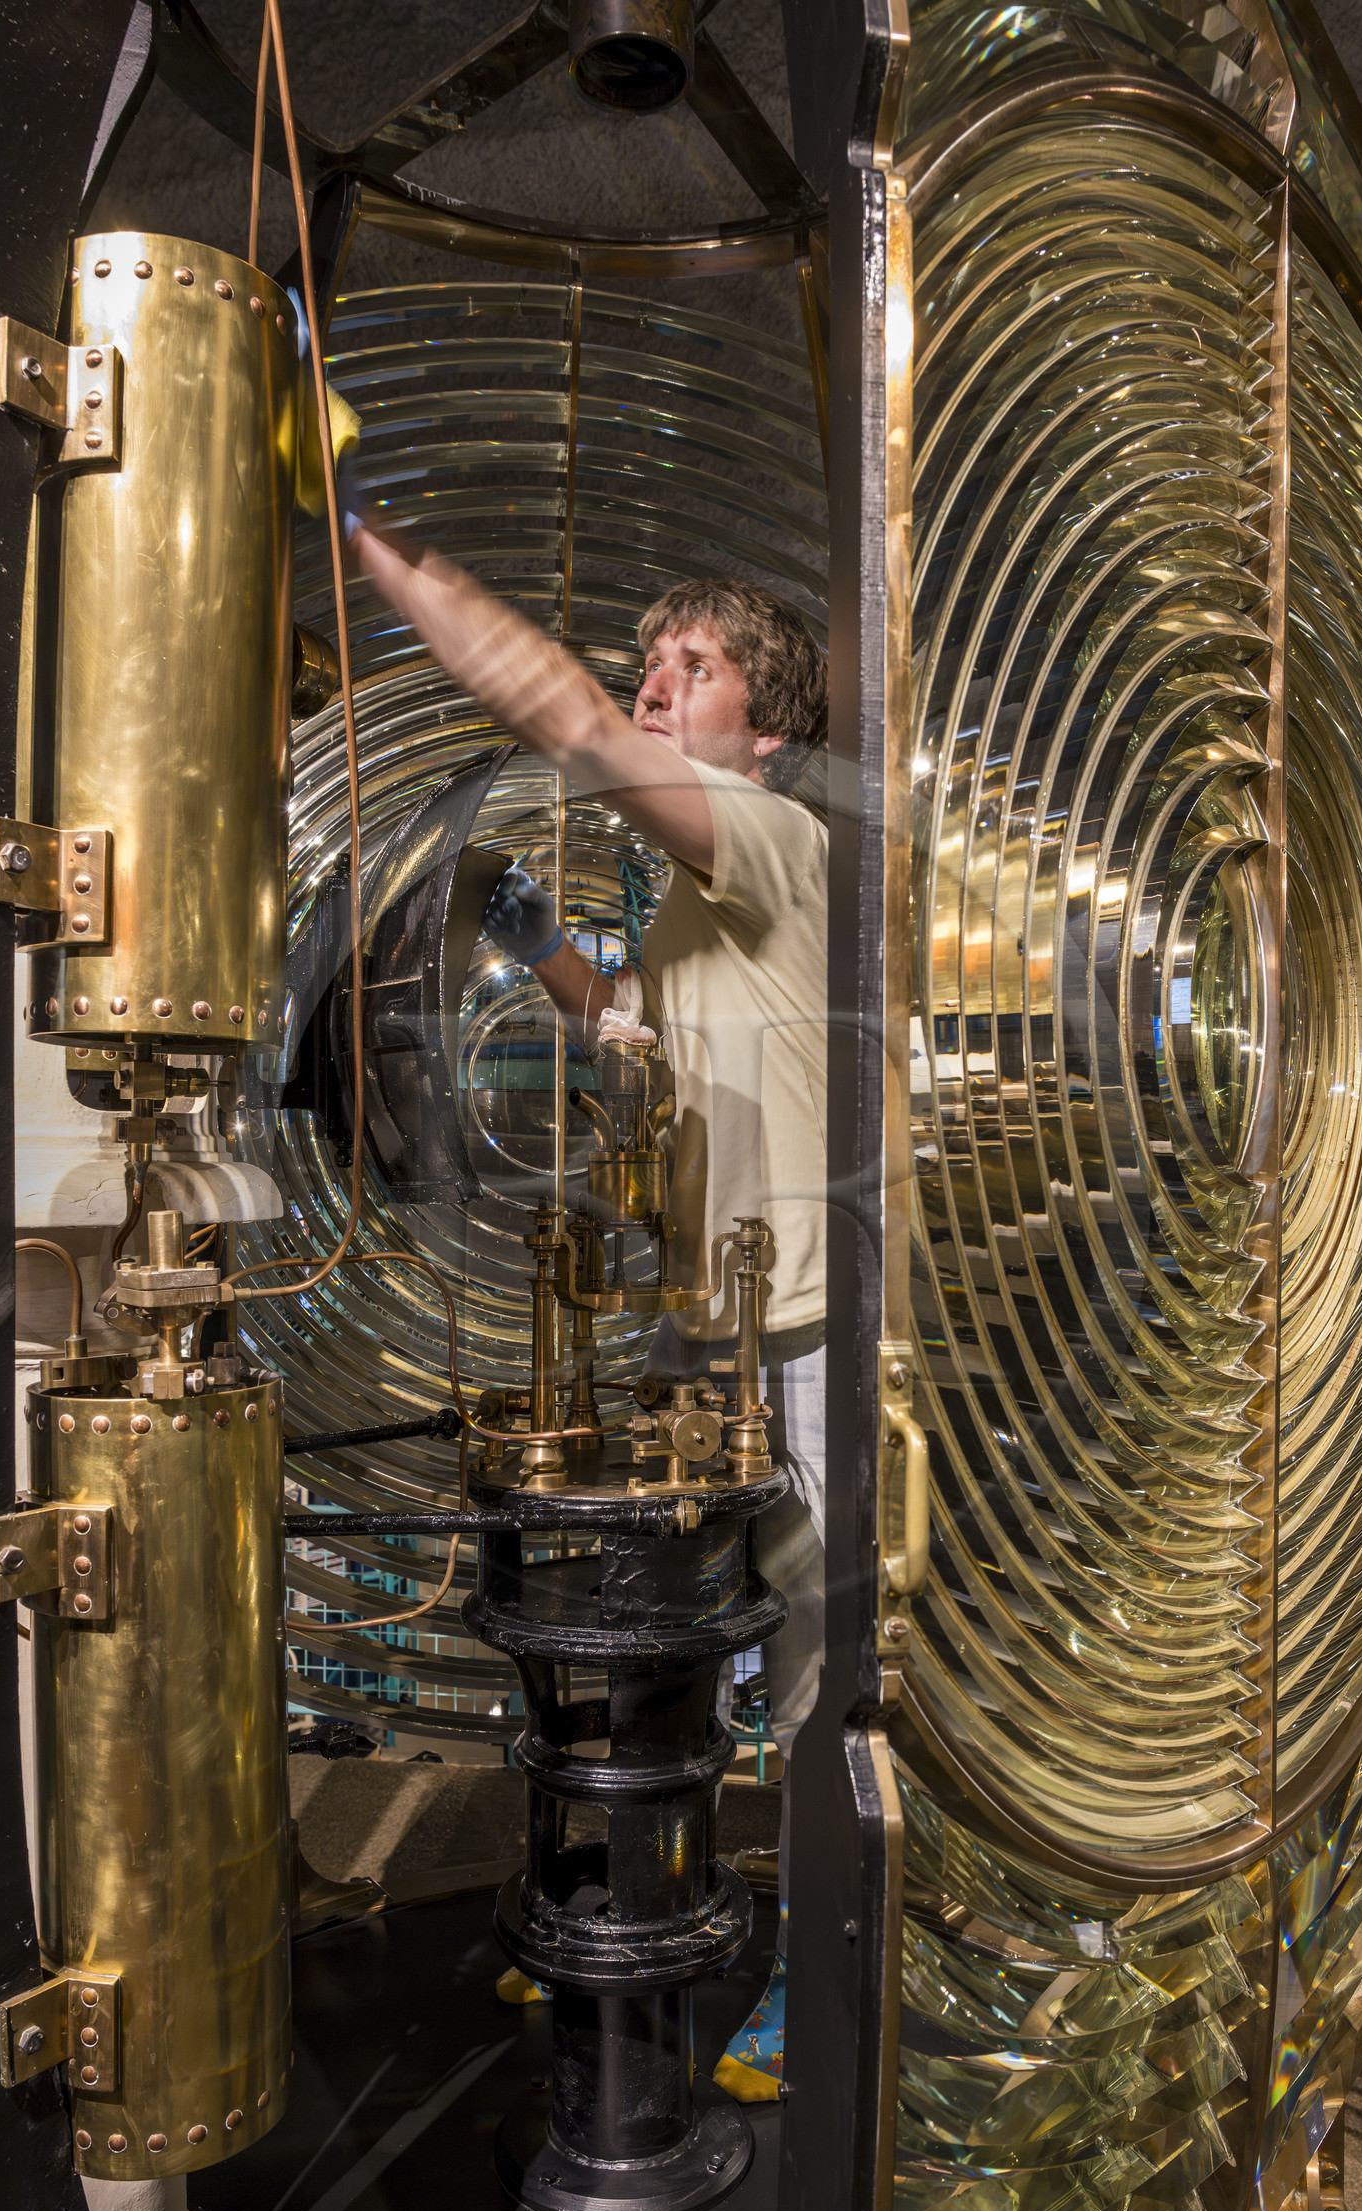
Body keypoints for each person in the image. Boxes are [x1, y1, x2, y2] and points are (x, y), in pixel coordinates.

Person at [347, 524, 828, 2102]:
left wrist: (398, 569)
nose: (657, 687)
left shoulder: (765, 831)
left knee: (827, 1669)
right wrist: (533, 930)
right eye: (651, 666)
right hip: (708, 1325)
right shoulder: (700, 900)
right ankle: (644, 1907)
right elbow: (626, 1021)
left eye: (695, 670)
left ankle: (822, 1988)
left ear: (764, 727)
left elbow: (572, 724)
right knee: (668, 1637)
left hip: (803, 1331)